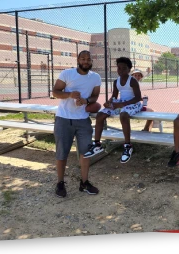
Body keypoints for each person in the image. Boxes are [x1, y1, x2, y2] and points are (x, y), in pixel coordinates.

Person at [52, 50, 101, 198]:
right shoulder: (67, 74)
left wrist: (85, 101)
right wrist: (69, 95)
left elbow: (95, 96)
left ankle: (84, 182)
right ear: (78, 60)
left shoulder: (95, 77)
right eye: (83, 59)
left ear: (91, 61)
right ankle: (60, 183)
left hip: (83, 120)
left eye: (88, 59)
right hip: (63, 119)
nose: (86, 61)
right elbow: (55, 92)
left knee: (85, 153)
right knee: (62, 152)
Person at [84, 57, 142, 164]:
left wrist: (121, 104)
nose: (120, 70)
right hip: (122, 102)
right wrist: (109, 102)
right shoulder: (116, 82)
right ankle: (97, 145)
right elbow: (114, 96)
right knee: (101, 114)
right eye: (119, 68)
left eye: (124, 68)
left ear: (129, 70)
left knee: (123, 115)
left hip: (134, 103)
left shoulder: (132, 81)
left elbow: (138, 98)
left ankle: (128, 146)